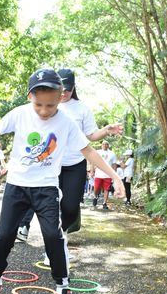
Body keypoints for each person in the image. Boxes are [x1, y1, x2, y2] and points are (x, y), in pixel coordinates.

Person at [0, 68, 125, 294]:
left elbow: (90, 152)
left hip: (47, 189)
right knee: (3, 235)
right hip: (17, 187)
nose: (44, 110)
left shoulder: (66, 123)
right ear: (30, 97)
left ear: (61, 97)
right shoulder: (19, 114)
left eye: (50, 105)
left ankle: (63, 288)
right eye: (39, 104)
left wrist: (115, 177)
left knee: (53, 235)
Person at [17, 68, 122, 244]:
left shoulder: (82, 109)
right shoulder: (48, 103)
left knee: (71, 208)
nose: (64, 93)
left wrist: (106, 131)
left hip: (75, 164)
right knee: (44, 201)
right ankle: (38, 233)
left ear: (74, 88)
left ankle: (61, 232)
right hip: (50, 162)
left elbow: (91, 135)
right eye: (62, 89)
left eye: (68, 89)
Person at [92, 140, 117, 210]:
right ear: (101, 145)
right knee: (96, 188)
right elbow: (93, 162)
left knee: (107, 189)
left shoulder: (112, 153)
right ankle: (95, 196)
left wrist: (114, 174)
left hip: (108, 174)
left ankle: (104, 203)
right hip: (98, 174)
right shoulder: (98, 152)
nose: (105, 145)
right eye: (103, 144)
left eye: (106, 144)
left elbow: (114, 164)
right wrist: (92, 171)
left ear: (108, 145)